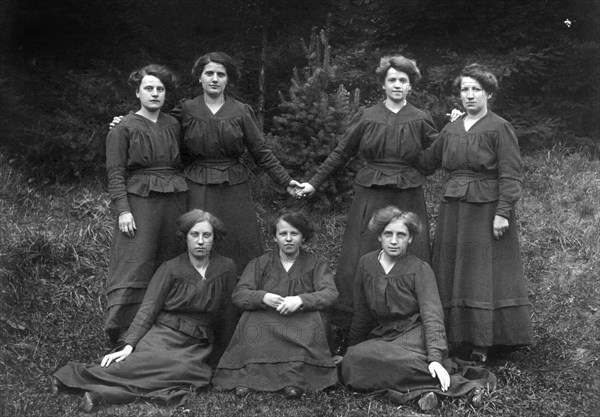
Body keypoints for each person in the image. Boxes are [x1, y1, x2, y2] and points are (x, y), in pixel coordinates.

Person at [112, 52, 301, 274]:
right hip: (196, 187)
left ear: (227, 79)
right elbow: (155, 124)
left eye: (221, 74)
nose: (214, 79)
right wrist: (123, 122)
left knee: (240, 245)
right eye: (209, 73)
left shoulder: (241, 111)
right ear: (199, 78)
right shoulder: (186, 110)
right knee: (198, 243)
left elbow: (261, 152)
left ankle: (243, 300)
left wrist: (286, 181)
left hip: (234, 188)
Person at [51, 210, 238, 413]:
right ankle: (67, 376)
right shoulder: (170, 268)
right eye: (194, 235)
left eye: (206, 235)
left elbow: (227, 315)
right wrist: (129, 345)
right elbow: (149, 308)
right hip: (164, 336)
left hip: (196, 345)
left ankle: (101, 394)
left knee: (191, 375)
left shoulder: (226, 267)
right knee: (133, 367)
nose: (200, 241)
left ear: (214, 238)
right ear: (185, 238)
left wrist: (225, 357)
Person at [295, 55, 438, 318]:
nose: (397, 85)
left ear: (410, 86)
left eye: (403, 81)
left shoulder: (421, 118)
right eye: (392, 80)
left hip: (408, 194)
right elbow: (341, 152)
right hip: (371, 193)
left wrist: (454, 130)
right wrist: (314, 183)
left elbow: (435, 158)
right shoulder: (368, 116)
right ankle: (356, 316)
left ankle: (411, 316)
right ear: (383, 84)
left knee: (410, 248)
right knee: (364, 249)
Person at [419, 64, 533, 362]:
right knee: (452, 268)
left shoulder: (499, 127)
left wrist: (503, 212)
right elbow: (427, 161)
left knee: (482, 272)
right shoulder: (452, 129)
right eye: (464, 90)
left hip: (486, 209)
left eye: (476, 90)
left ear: (489, 94)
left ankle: (483, 343)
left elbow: (511, 173)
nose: (469, 95)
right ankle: (455, 336)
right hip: (453, 209)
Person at [339, 206, 496, 410]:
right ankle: (422, 390)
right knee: (354, 360)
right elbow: (362, 312)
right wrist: (353, 347)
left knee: (399, 360)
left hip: (414, 334)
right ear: (379, 236)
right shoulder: (366, 264)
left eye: (401, 235)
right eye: (388, 234)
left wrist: (436, 358)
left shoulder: (419, 269)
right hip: (383, 335)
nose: (394, 241)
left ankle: (462, 386)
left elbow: (432, 315)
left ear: (410, 238)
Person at [212, 210, 338, 399]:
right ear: (274, 237)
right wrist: (262, 297)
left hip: (301, 321)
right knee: (251, 317)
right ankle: (249, 378)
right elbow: (239, 294)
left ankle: (294, 379)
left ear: (303, 237)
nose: (288, 239)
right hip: (268, 321)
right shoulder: (260, 263)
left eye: (294, 234)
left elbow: (330, 293)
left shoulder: (316, 264)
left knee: (313, 319)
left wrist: (301, 300)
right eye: (283, 234)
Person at [104, 64, 188, 345]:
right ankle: (122, 329)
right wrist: (123, 211)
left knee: (169, 259)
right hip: (140, 203)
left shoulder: (173, 125)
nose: (155, 94)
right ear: (138, 92)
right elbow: (115, 173)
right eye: (149, 88)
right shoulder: (123, 127)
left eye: (160, 89)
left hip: (174, 200)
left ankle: (162, 328)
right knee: (136, 261)